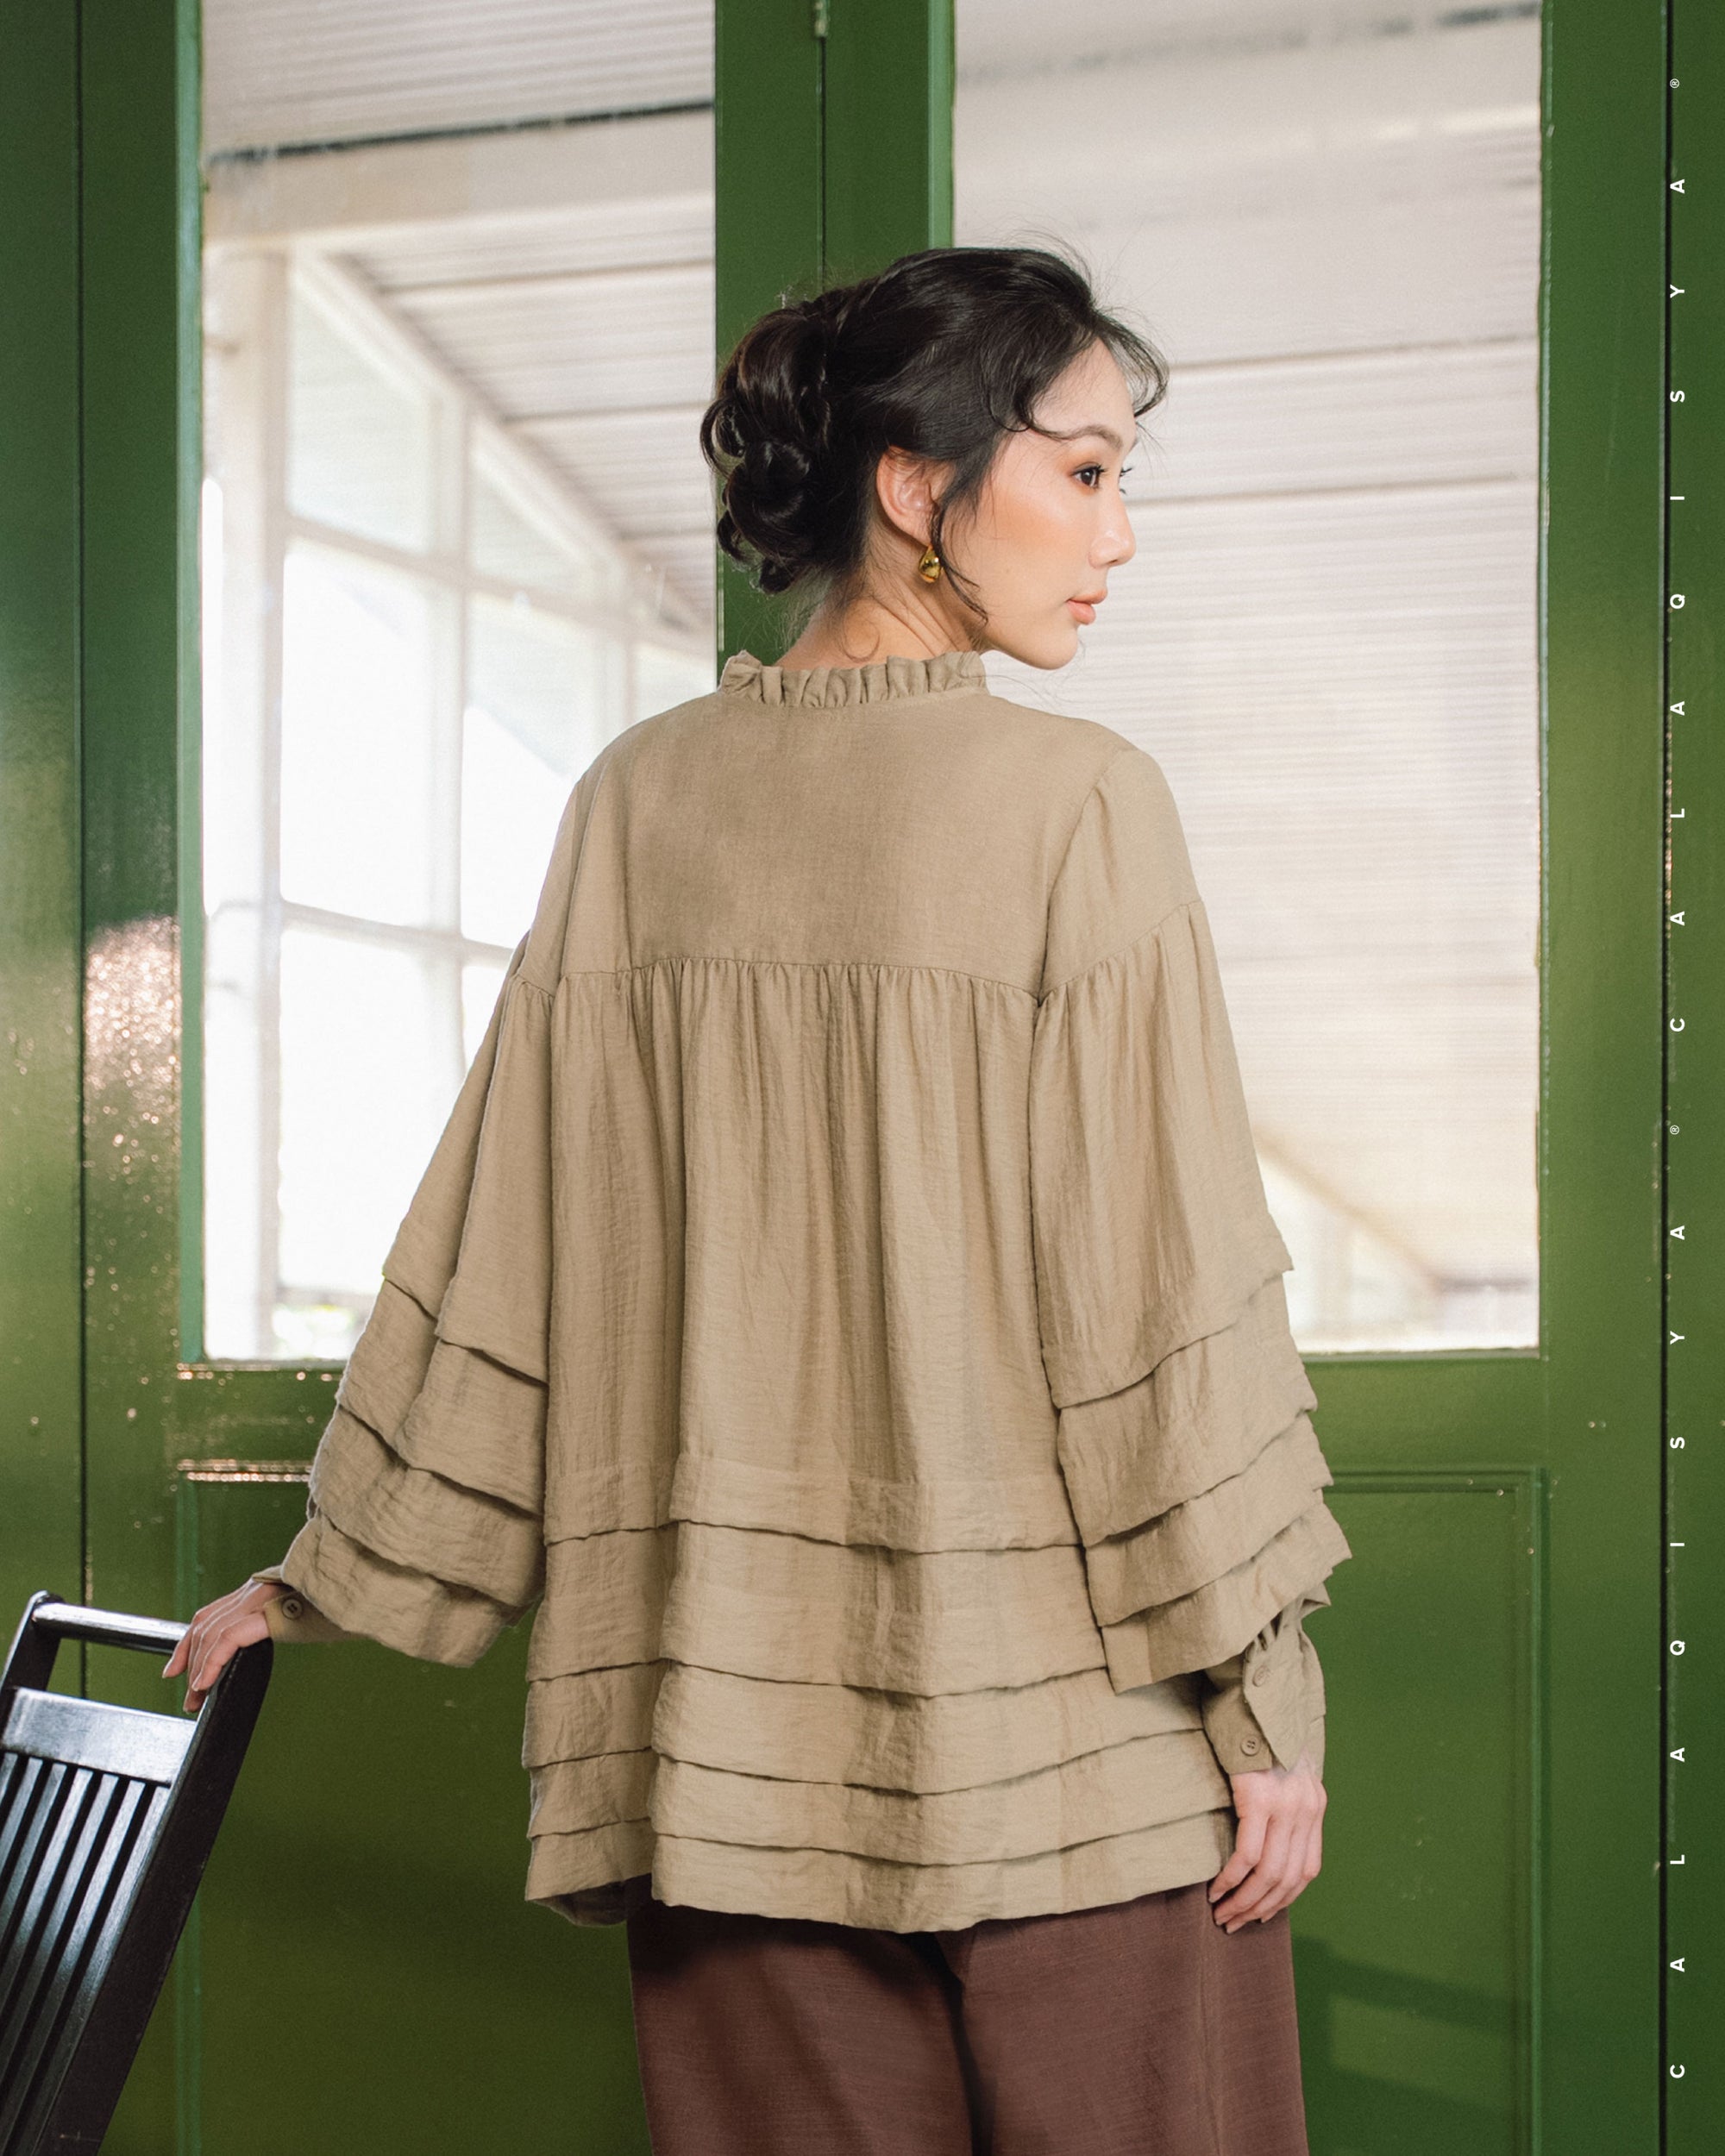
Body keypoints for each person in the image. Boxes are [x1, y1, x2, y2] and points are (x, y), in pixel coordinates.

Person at [166, 243, 1349, 2154]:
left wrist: (327, 1567)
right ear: (917, 483)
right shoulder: (1079, 805)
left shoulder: (635, 804)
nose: (1116, 534)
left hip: (722, 1762)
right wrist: (1261, 1692)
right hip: (1084, 1761)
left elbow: (503, 1238)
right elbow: (1159, 1283)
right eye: (1084, 471)